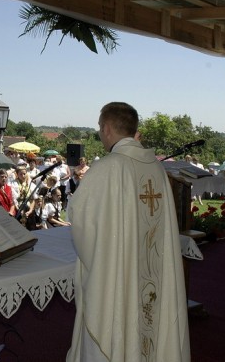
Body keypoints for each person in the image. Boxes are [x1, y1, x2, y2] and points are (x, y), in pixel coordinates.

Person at [66, 102, 189, 361]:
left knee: (118, 312)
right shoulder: (156, 168)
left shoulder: (106, 168)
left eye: (100, 128)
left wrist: (99, 260)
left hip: (118, 274)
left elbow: (80, 221)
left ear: (107, 128)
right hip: (151, 269)